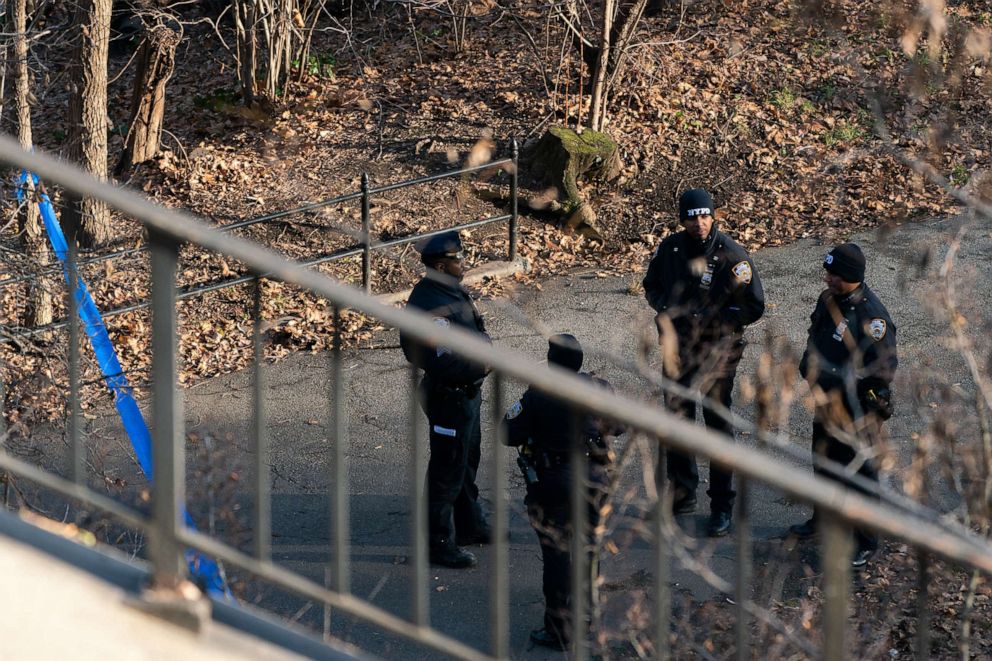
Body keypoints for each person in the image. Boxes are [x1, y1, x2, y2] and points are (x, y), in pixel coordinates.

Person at [642, 188, 765, 537]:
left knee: (717, 425)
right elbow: (651, 286)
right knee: (677, 419)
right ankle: (681, 496)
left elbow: (754, 306)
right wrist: (667, 309)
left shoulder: (732, 257)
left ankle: (722, 506)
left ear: (714, 216)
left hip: (716, 352)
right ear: (682, 220)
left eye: (705, 215)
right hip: (678, 349)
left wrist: (717, 322)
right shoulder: (672, 249)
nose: (699, 223)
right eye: (692, 217)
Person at [502, 334, 619, 651]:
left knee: (558, 556)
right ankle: (588, 615)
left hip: (556, 481)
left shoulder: (539, 393)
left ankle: (559, 629)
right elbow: (621, 425)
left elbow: (508, 432)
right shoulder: (599, 388)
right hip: (595, 479)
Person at [791, 243, 897, 568]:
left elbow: (882, 371)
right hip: (825, 402)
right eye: (828, 273)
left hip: (856, 411)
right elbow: (816, 335)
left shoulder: (873, 319)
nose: (828, 280)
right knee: (823, 462)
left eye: (835, 275)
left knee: (860, 474)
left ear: (852, 277)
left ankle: (866, 541)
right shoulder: (829, 300)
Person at [400, 231, 491, 569]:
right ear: (441, 265)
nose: (463, 262)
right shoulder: (428, 304)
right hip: (449, 397)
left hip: (467, 394)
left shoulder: (451, 290)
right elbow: (437, 357)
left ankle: (470, 524)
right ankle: (438, 543)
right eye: (458, 259)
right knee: (446, 470)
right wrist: (480, 363)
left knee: (467, 461)